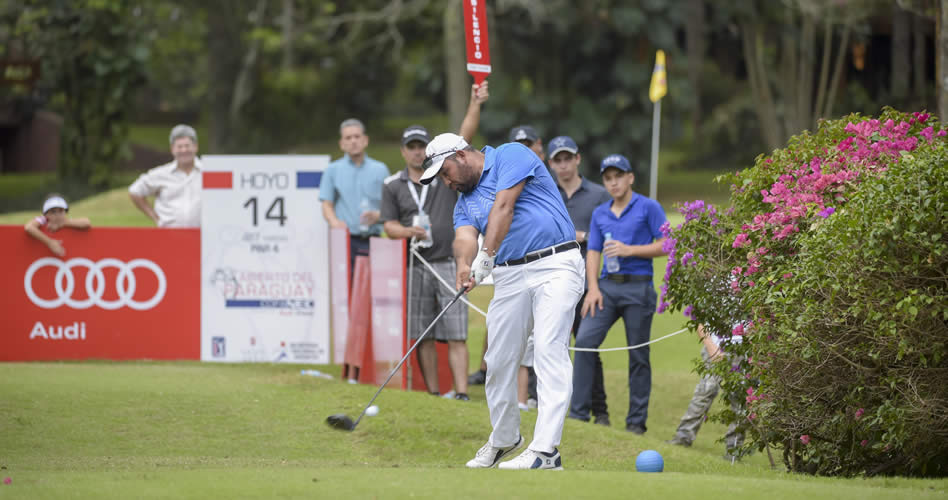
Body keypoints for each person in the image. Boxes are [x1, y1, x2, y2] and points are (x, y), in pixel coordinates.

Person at [420, 132, 584, 470]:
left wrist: (486, 254)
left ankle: (545, 451)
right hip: (510, 275)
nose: (446, 183)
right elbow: (465, 236)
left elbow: (504, 207)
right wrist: (466, 264)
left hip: (555, 264)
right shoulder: (463, 201)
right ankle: (506, 437)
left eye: (445, 172)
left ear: (461, 156)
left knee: (549, 348)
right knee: (497, 359)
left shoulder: (510, 155)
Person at [378, 81, 488, 401]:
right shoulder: (393, 185)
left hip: (449, 261)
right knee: (422, 332)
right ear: (403, 150)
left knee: (456, 331)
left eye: (420, 146)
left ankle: (462, 393)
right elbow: (388, 225)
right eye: (410, 146)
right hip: (415, 264)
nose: (415, 151)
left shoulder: (444, 174)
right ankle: (434, 394)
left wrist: (475, 103)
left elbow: (463, 138)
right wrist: (407, 232)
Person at [568, 154, 667, 435]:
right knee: (585, 341)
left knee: (637, 355)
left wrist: (630, 250)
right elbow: (594, 253)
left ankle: (636, 423)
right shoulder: (601, 213)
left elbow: (667, 244)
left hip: (639, 287)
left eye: (618, 176)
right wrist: (593, 289)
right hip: (606, 288)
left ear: (630, 177)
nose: (613, 183)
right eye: (608, 179)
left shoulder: (648, 207)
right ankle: (578, 414)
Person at [467, 123, 546, 395]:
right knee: (502, 328)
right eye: (519, 144)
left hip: (548, 264)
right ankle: (498, 380)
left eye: (529, 144)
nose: (524, 150)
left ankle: (535, 398)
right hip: (513, 267)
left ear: (539, 148)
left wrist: (486, 256)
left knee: (546, 340)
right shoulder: (501, 175)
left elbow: (505, 208)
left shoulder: (542, 180)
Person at [547, 135, 612, 426]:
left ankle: (597, 410)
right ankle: (567, 407)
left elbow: (611, 231)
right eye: (557, 160)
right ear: (550, 164)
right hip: (554, 280)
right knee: (557, 345)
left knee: (586, 346)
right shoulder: (545, 193)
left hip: (588, 283)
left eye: (567, 159)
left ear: (577, 159)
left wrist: (582, 236)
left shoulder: (598, 195)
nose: (563, 165)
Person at [318, 118, 390, 276]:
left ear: (365, 140)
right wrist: (334, 222)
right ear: (341, 143)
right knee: (346, 289)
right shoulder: (333, 170)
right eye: (348, 138)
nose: (353, 141)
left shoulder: (380, 169)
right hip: (346, 240)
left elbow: (390, 204)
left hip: (375, 239)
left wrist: (378, 215)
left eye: (357, 137)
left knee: (375, 289)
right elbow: (326, 204)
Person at [667, 324, 746, 460]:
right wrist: (711, 347)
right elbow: (700, 320)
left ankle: (733, 451)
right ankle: (683, 437)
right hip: (714, 348)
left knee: (740, 402)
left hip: (743, 352)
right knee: (704, 393)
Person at [129, 124, 202, 227]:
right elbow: (135, 191)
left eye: (187, 146)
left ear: (195, 147)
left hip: (203, 237)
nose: (184, 150)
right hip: (168, 236)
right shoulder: (161, 174)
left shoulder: (209, 172)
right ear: (172, 149)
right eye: (179, 147)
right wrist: (155, 218)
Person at [24, 194, 91, 256]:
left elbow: (86, 222)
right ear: (46, 214)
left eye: (61, 211)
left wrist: (62, 224)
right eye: (53, 211)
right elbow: (29, 227)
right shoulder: (44, 219)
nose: (57, 215)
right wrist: (50, 243)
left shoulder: (66, 221)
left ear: (65, 212)